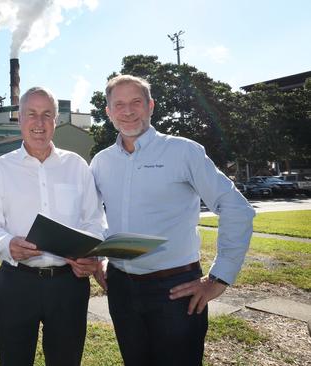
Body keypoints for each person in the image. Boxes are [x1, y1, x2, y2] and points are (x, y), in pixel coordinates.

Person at [89, 74, 255, 366]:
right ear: (109, 113)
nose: (128, 111)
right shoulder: (101, 161)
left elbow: (235, 208)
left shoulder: (183, 151)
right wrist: (102, 256)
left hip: (175, 289)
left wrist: (219, 278)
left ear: (151, 106)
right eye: (119, 105)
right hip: (121, 288)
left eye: (136, 102)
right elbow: (92, 214)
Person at [0, 86, 106, 366]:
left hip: (68, 284)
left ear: (56, 120)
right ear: (19, 119)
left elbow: (95, 220)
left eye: (47, 114)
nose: (39, 122)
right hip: (17, 283)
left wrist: (90, 255)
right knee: (13, 359)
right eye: (31, 114)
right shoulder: (1, 168)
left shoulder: (76, 166)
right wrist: (7, 244)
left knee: (66, 359)